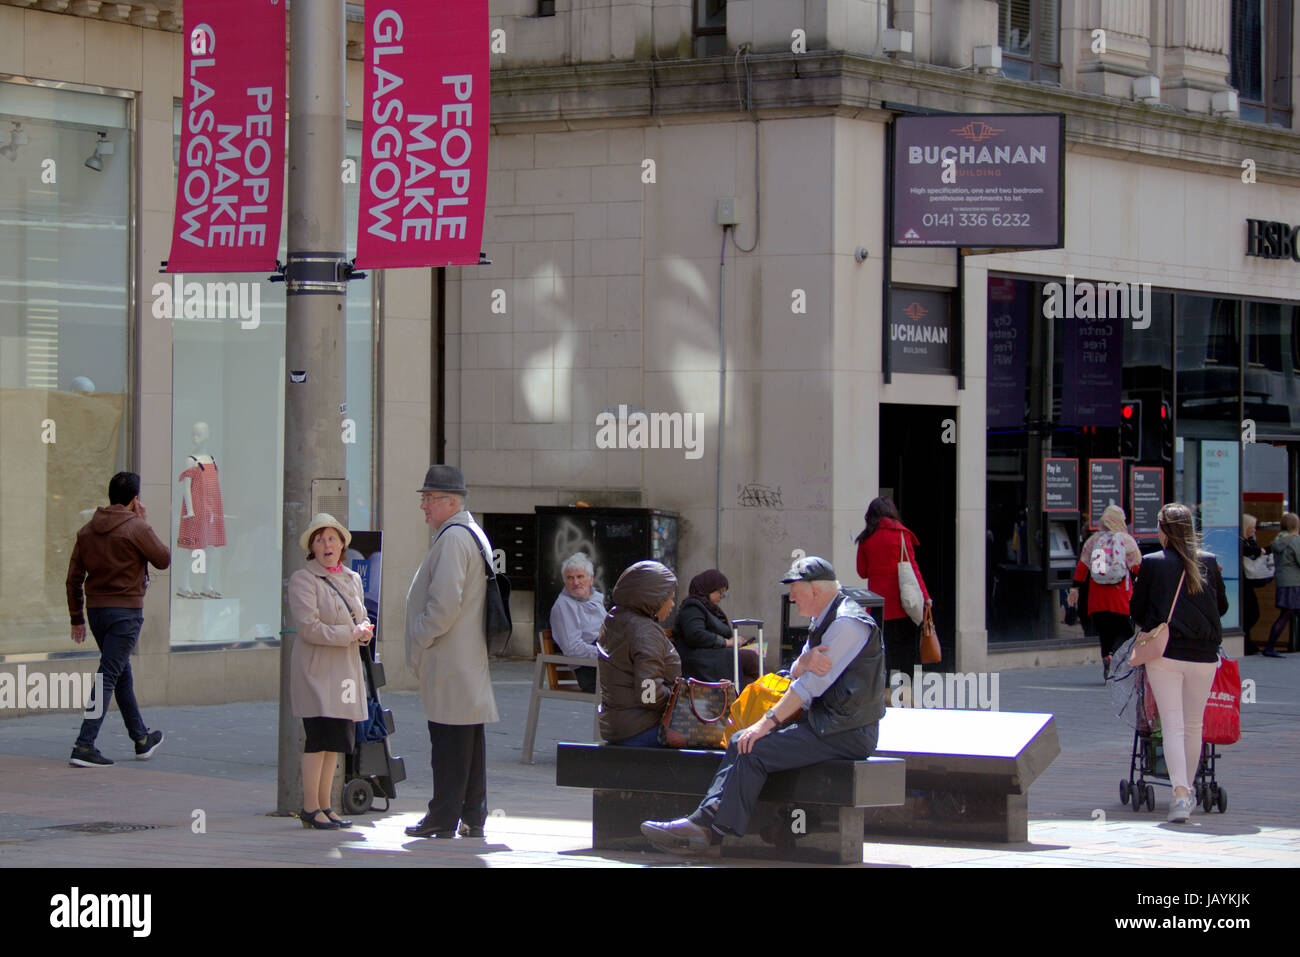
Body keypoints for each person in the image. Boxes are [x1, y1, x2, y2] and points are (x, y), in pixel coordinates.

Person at [640, 556, 884, 856]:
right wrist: (800, 666)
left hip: (847, 730)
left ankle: (710, 835)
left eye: (795, 589)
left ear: (815, 590)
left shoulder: (847, 623)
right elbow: (798, 670)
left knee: (752, 746)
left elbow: (808, 687)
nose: (791, 597)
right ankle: (703, 824)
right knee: (742, 740)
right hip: (825, 723)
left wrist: (765, 723)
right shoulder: (825, 618)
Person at [404, 465, 500, 839]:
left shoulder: (453, 539)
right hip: (466, 659)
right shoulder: (470, 533)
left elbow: (443, 605)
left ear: (450, 501)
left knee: (448, 743)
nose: (424, 507)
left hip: (450, 658)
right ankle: (472, 815)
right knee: (468, 743)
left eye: (429, 499)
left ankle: (442, 817)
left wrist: (420, 635)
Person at [1128, 503, 1228, 823]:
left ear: (1163, 529)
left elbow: (1137, 610)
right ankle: (1189, 791)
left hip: (1166, 654)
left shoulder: (1152, 564)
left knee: (1171, 723)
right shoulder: (1209, 563)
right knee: (1193, 725)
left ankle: (1181, 795)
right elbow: (1221, 606)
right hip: (1204, 655)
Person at [66, 471, 170, 768]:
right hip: (125, 614)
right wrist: (145, 524)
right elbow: (163, 559)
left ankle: (141, 739)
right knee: (109, 675)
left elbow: (73, 579)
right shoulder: (135, 527)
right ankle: (84, 744)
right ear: (135, 499)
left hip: (97, 613)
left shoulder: (87, 531)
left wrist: (77, 617)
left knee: (120, 673)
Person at [287, 513, 373, 830]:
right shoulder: (303, 579)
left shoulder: (352, 578)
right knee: (318, 737)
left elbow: (360, 616)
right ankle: (310, 807)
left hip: (345, 672)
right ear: (312, 546)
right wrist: (348, 634)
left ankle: (327, 805)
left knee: (336, 741)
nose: (327, 545)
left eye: (332, 538)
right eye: (320, 539)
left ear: (342, 544)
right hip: (316, 671)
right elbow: (309, 628)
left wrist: (363, 631)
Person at [596, 561, 680, 747]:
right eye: (670, 598)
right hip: (643, 728)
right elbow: (648, 694)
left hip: (617, 725)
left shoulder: (614, 619)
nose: (673, 604)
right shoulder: (644, 631)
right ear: (654, 598)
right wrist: (681, 699)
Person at [854, 497, 931, 679]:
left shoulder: (866, 538)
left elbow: (862, 572)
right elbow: (913, 569)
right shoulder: (902, 535)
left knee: (882, 651)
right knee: (907, 652)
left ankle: (885, 692)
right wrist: (926, 597)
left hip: (878, 606)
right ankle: (906, 692)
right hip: (904, 603)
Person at [1067, 505, 1142, 680]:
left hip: (1097, 597)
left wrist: (1075, 588)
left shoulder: (1094, 540)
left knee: (1104, 632)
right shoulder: (1126, 540)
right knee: (1124, 632)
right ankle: (1117, 657)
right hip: (1120, 597)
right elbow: (1137, 567)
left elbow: (1083, 566)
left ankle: (1107, 657)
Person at [673, 569, 760, 690]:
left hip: (713, 655)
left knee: (755, 654)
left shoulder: (709, 608)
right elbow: (695, 635)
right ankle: (750, 699)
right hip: (699, 659)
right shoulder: (692, 606)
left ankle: (752, 699)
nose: (721, 597)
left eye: (723, 593)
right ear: (707, 589)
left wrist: (733, 642)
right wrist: (727, 642)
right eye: (719, 592)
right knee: (750, 658)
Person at [548, 552, 605, 692]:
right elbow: (573, 648)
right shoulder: (564, 606)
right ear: (565, 581)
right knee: (638, 685)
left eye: (580, 576)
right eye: (570, 578)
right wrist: (606, 655)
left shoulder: (596, 600)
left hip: (606, 665)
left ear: (591, 579)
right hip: (591, 670)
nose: (575, 582)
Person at [1263, 511, 1300, 658]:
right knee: (1285, 615)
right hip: (1294, 582)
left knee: (1286, 613)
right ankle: (1269, 647)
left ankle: (1269, 647)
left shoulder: (1278, 539)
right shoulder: (1295, 540)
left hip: (1283, 581)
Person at [1240, 514, 1263, 654]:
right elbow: (1253, 551)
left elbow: (1254, 548)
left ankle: (1247, 642)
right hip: (1242, 584)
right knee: (1250, 613)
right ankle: (1246, 643)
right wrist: (1261, 550)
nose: (1254, 530)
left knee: (1252, 613)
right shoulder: (1239, 542)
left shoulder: (1247, 541)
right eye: (1252, 528)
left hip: (1246, 583)